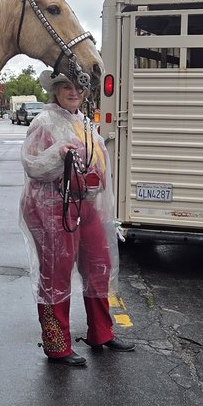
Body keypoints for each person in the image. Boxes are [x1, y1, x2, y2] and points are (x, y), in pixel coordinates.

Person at [19, 69, 134, 367]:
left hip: (85, 204)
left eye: (78, 88)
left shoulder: (83, 122)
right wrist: (59, 153)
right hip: (51, 206)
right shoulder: (44, 122)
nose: (74, 92)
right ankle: (57, 345)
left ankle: (102, 332)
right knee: (55, 274)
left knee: (99, 264)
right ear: (55, 91)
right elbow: (33, 164)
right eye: (66, 87)